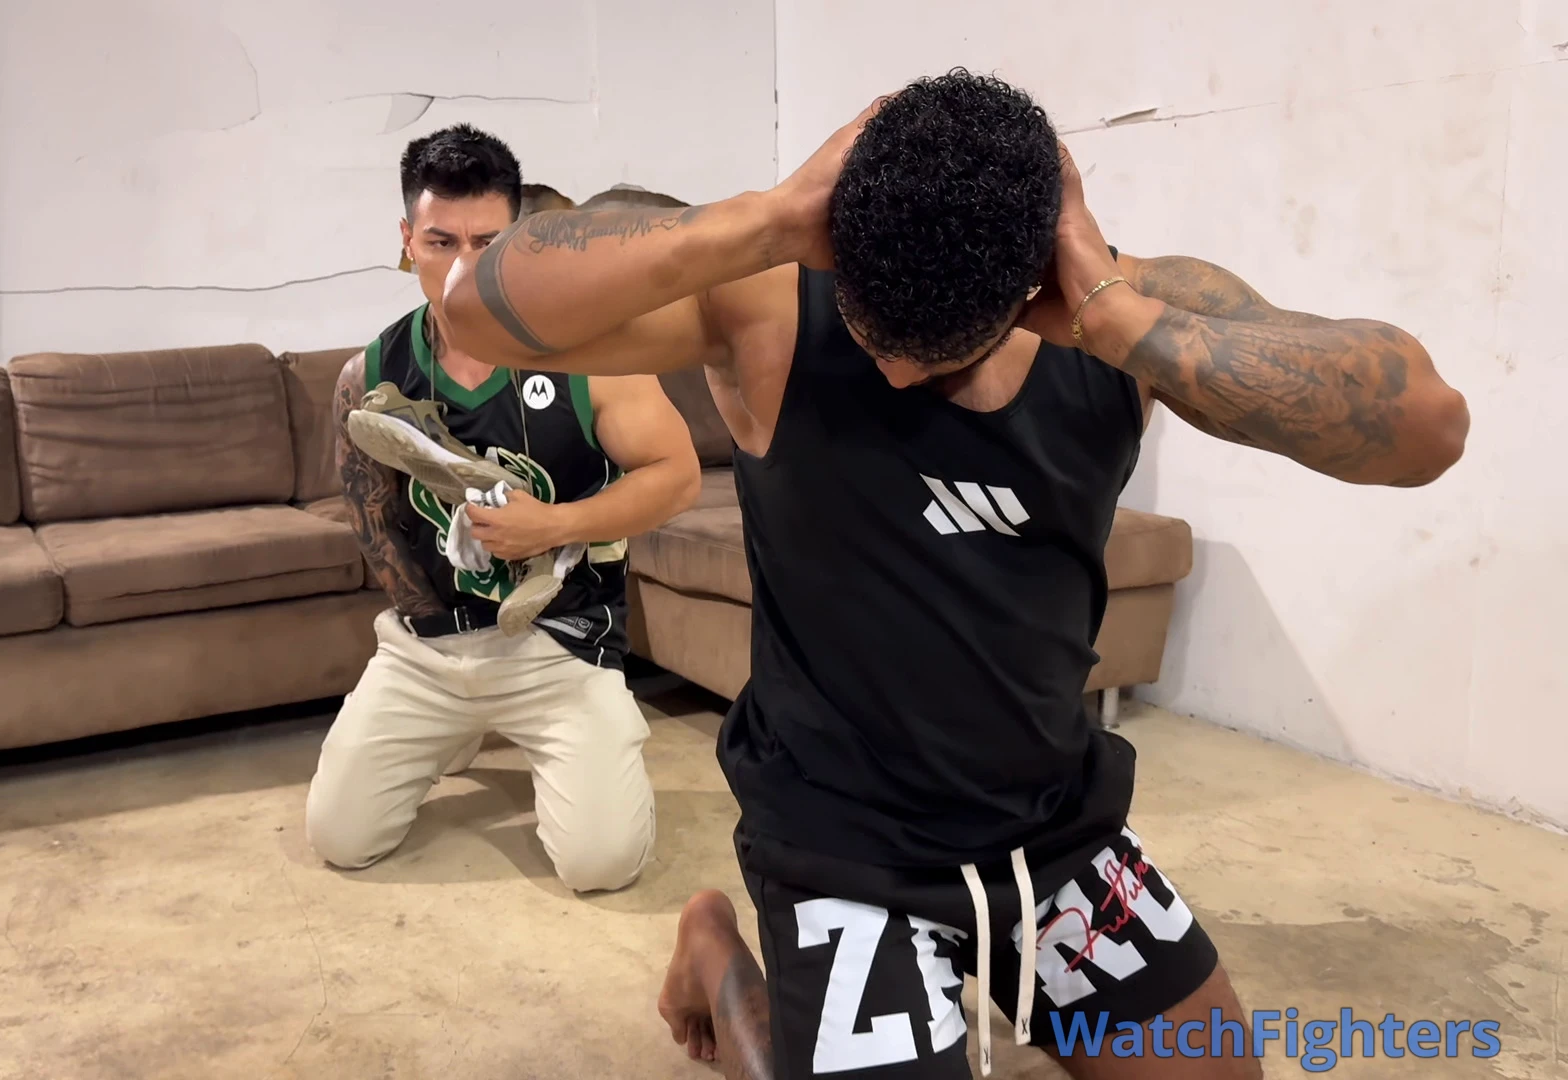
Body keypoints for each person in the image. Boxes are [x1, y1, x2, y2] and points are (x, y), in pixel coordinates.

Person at [439, 72, 1469, 1078]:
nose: (892, 369)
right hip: (844, 843)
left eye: (933, 355)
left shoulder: (1128, 311)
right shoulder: (770, 305)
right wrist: (772, 215)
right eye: (870, 331)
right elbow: (472, 310)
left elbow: (1428, 426)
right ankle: (720, 955)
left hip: (1055, 827)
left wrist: (1115, 319)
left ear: (1027, 292)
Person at [305, 124, 702, 895]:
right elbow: (375, 530)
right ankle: (451, 726)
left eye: (487, 243)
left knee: (601, 867)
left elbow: (678, 477)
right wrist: (441, 646)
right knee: (340, 839)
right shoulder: (371, 373)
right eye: (440, 242)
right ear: (407, 241)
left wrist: (554, 527)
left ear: (520, 239)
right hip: (428, 651)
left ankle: (579, 732)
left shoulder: (594, 352)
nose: (463, 265)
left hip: (559, 640)